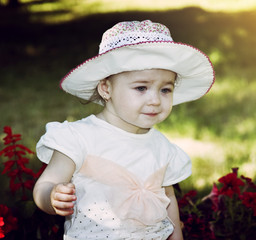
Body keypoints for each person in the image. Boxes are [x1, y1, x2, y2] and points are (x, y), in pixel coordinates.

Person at [33, 20, 214, 240]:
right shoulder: (79, 138)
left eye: (165, 89)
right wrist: (52, 196)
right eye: (141, 88)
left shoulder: (162, 147)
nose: (155, 100)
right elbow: (46, 183)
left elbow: (167, 199)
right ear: (106, 88)